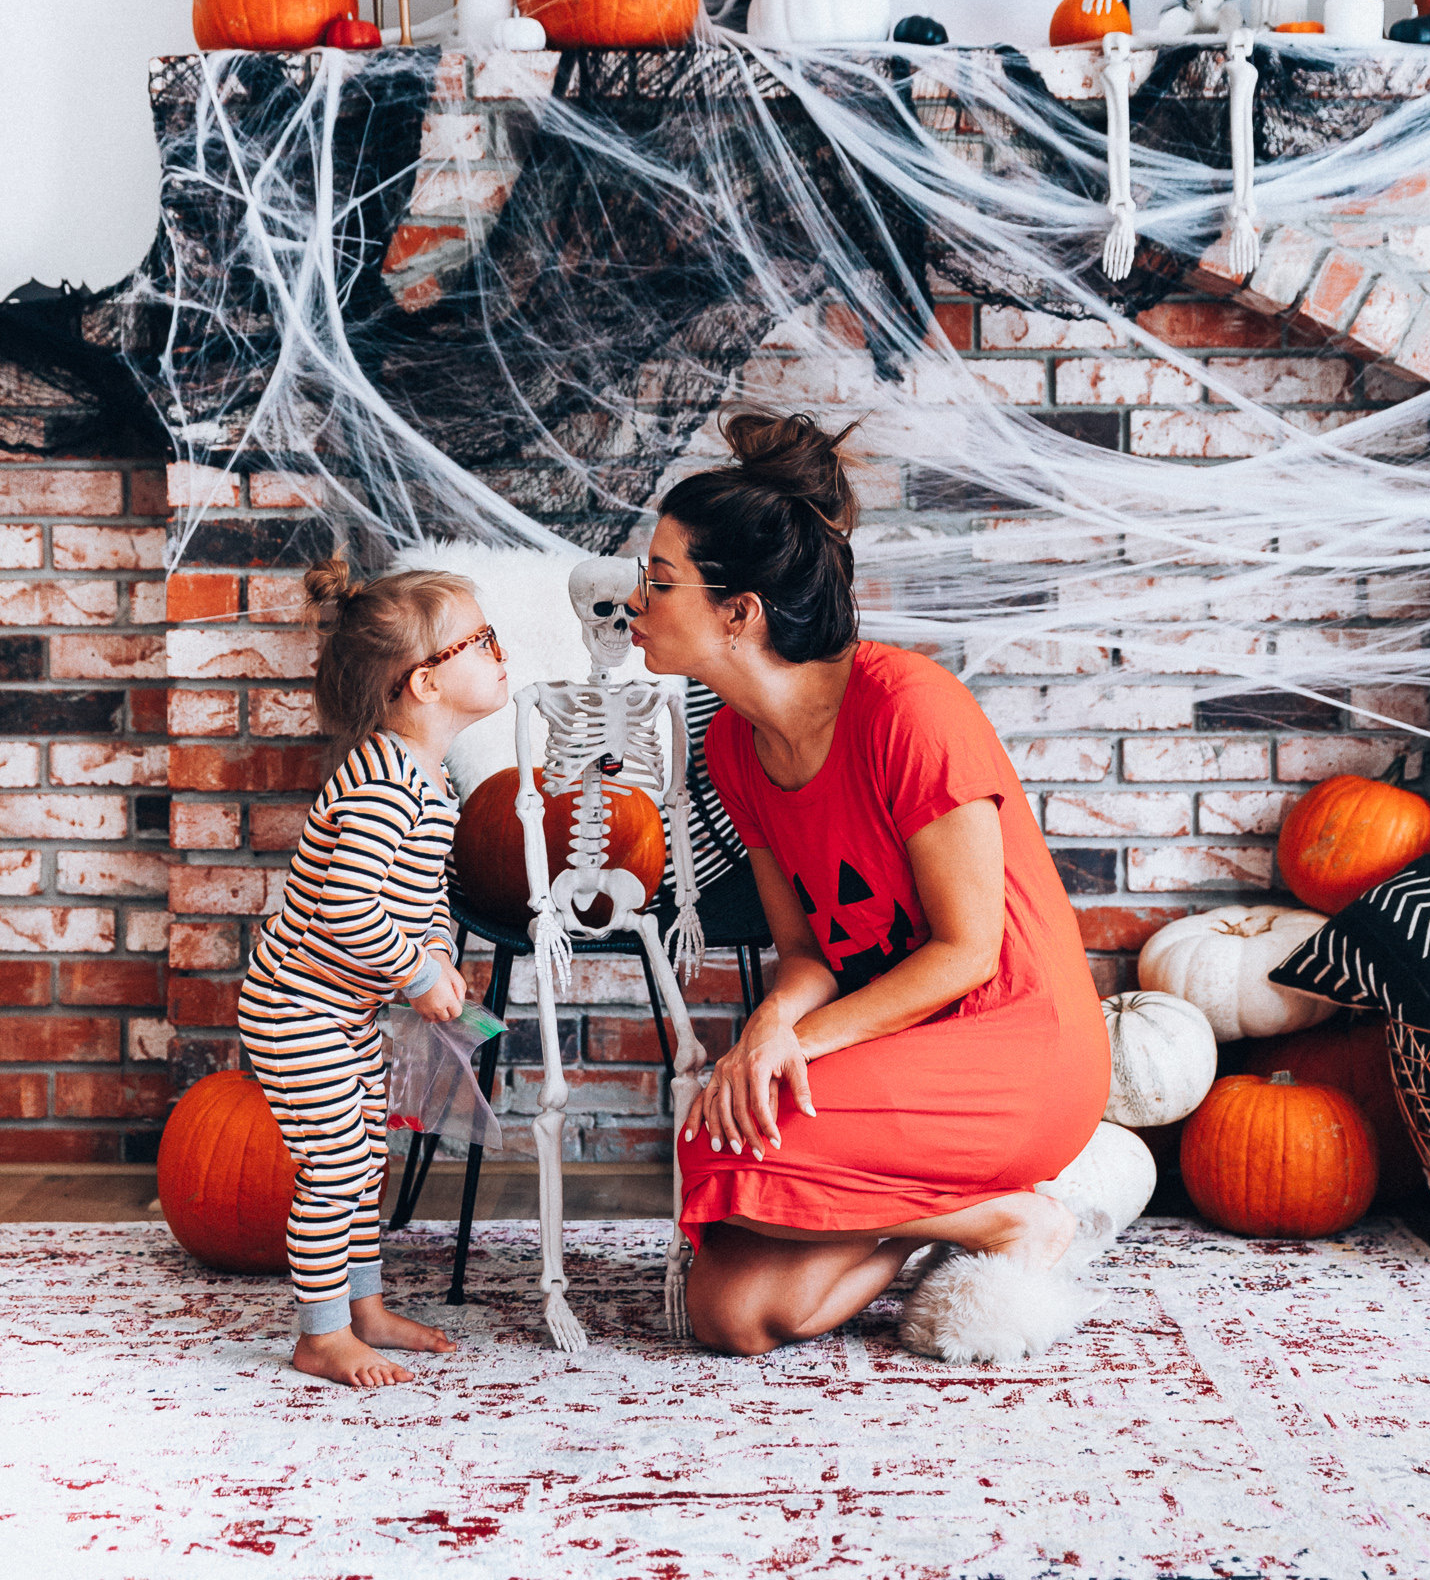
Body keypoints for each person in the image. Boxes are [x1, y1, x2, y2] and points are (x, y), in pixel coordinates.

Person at [629, 412, 1111, 1360]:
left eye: (659, 580)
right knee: (733, 1314)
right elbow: (807, 953)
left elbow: (966, 951)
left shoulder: (908, 705)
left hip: (1016, 1043)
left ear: (741, 613)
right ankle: (982, 1220)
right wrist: (770, 1030)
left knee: (717, 1145)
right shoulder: (731, 741)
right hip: (894, 1048)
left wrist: (788, 1045)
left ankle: (1006, 1210)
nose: (633, 602)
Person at [237, 555, 510, 1388]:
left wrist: (438, 960)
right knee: (337, 1164)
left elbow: (416, 894)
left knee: (364, 1160)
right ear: (424, 683)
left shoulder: (423, 780)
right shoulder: (384, 786)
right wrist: (414, 975)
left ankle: (364, 1308)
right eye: (480, 640)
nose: (500, 649)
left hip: (340, 1011)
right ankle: (319, 1334)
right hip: (297, 1008)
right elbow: (348, 914)